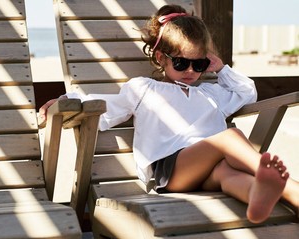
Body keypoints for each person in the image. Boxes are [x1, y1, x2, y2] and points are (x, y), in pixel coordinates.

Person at [39, 4, 299, 224]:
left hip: (205, 171)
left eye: (199, 64)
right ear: (161, 57)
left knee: (226, 175)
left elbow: (246, 92)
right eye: (180, 62)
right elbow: (106, 107)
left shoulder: (210, 93)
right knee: (230, 136)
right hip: (170, 170)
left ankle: (257, 195)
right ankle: (291, 190)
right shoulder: (144, 89)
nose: (190, 71)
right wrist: (65, 100)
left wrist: (220, 69)